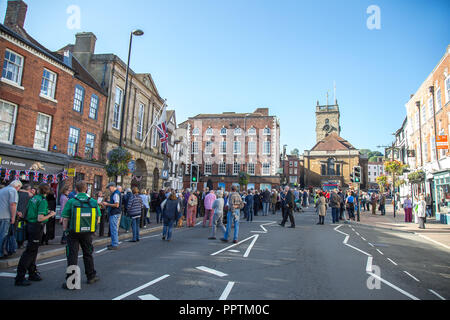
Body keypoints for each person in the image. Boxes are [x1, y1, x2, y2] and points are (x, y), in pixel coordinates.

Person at [61, 181, 101, 288]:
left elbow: (65, 218)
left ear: (76, 189)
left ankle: (72, 282)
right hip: (88, 232)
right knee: (88, 253)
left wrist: (65, 230)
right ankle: (91, 276)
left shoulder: (71, 201)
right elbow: (98, 217)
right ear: (86, 189)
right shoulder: (93, 201)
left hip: (73, 232)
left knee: (72, 255)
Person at [15, 183, 56, 286]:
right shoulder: (42, 201)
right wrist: (50, 214)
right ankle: (20, 276)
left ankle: (32, 272)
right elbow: (40, 218)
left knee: (33, 251)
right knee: (30, 252)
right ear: (47, 191)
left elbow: (28, 211)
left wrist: (46, 211)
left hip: (30, 225)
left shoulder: (34, 198)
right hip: (36, 226)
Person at [0, 180, 22, 259]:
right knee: (3, 235)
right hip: (6, 216)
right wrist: (13, 217)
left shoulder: (3, 190)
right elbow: (13, 204)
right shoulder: (13, 191)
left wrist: (16, 212)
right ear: (17, 186)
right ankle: (1, 253)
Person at [102, 182, 122, 250]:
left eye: (109, 188)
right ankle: (114, 242)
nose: (109, 189)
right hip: (115, 213)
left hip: (114, 213)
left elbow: (116, 205)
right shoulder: (116, 193)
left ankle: (115, 244)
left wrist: (107, 204)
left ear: (112, 186)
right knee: (114, 228)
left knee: (113, 229)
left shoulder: (116, 194)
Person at [16, 184, 32, 249]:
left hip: (17, 213)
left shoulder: (17, 193)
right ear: (28, 189)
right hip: (25, 214)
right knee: (22, 229)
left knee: (17, 229)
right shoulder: (29, 195)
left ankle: (17, 243)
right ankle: (20, 243)